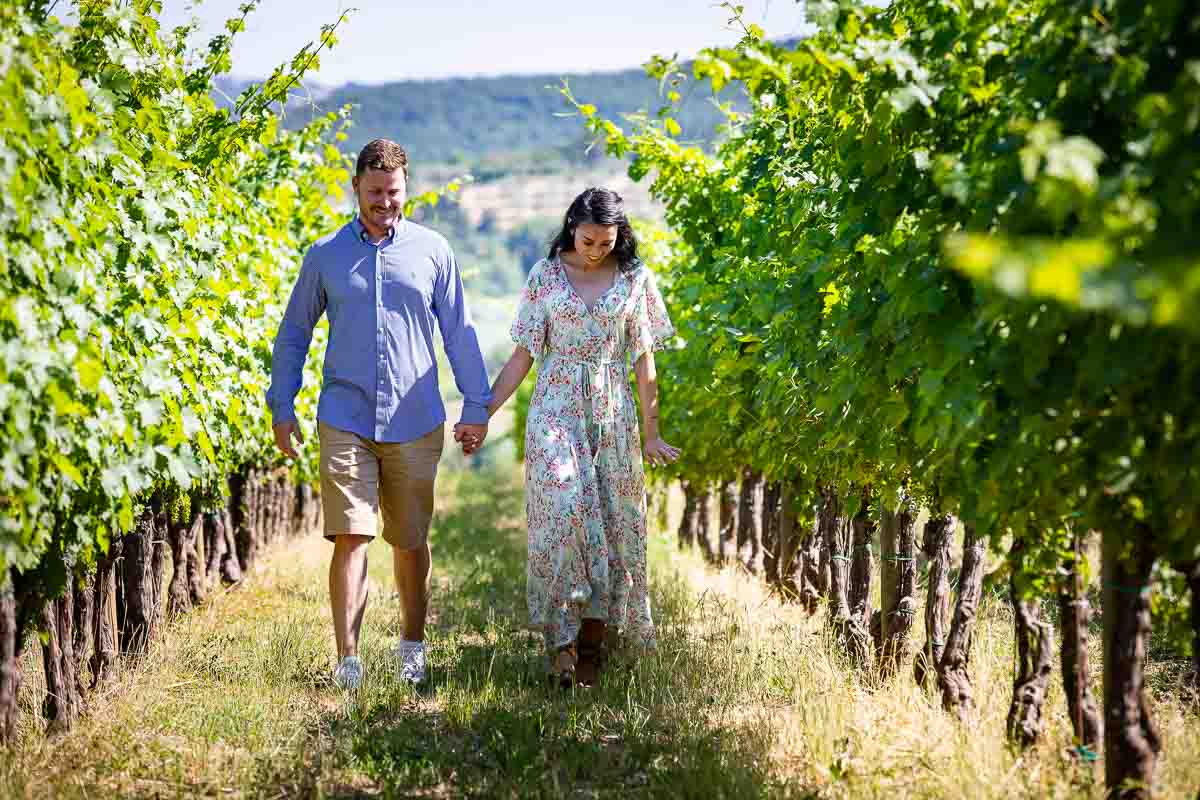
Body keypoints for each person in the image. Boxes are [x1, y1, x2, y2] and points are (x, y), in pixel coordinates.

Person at [266, 138, 491, 689]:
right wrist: (282, 404)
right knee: (351, 534)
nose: (384, 203)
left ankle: (412, 646)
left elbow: (458, 332)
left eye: (392, 193)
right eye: (374, 193)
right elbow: (294, 333)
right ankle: (348, 660)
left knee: (410, 540)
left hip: (416, 418)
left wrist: (477, 403)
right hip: (344, 413)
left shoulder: (434, 252)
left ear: (405, 189)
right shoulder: (325, 256)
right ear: (356, 189)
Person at [474, 187, 679, 687]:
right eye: (589, 240)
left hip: (613, 414)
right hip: (555, 409)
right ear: (572, 228)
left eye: (606, 242)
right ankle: (559, 639)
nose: (596, 250)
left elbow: (644, 361)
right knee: (564, 513)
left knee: (611, 523)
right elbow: (523, 355)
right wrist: (482, 413)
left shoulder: (634, 278)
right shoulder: (545, 277)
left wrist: (652, 434)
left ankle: (591, 644)